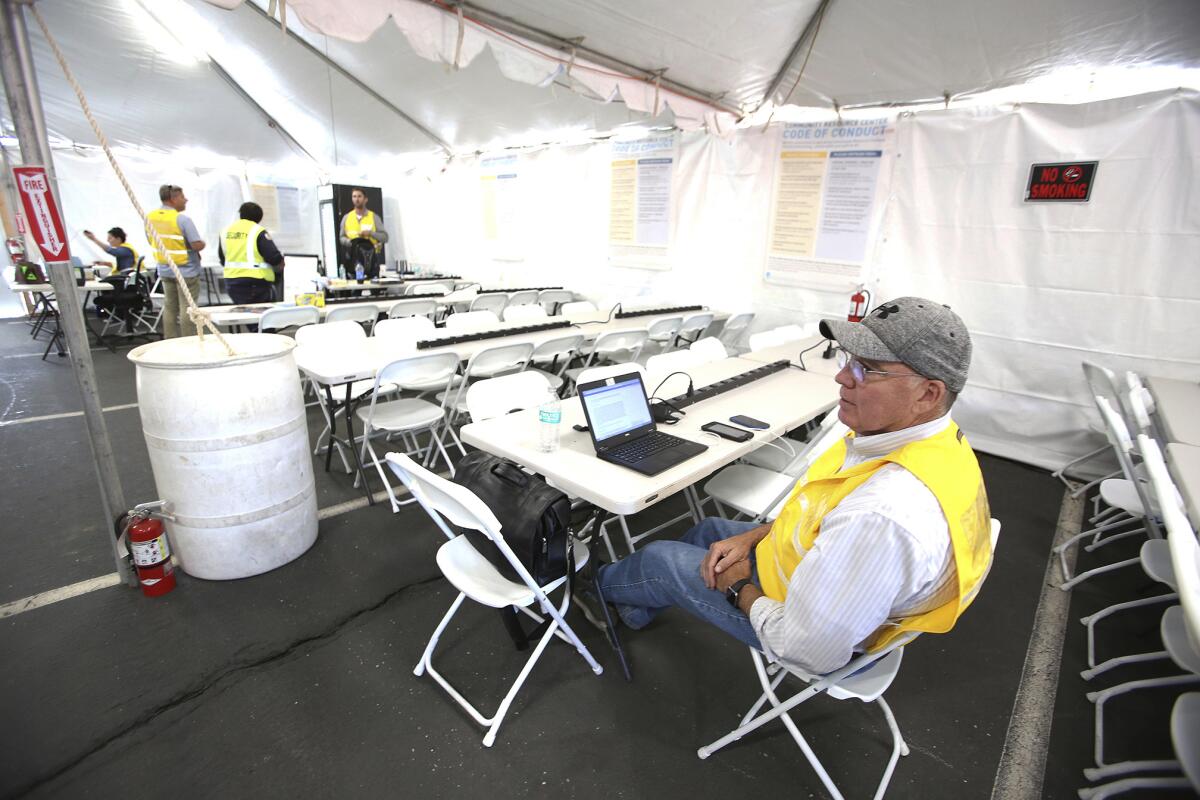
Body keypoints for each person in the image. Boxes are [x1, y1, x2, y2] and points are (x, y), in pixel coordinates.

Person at [583, 297, 993, 676]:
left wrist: (738, 586)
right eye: (849, 360)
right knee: (710, 532)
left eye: (866, 369)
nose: (841, 376)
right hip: (819, 581)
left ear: (928, 393)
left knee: (659, 558)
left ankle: (592, 593)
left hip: (814, 633)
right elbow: (828, 519)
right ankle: (633, 605)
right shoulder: (936, 445)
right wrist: (756, 537)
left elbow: (808, 649)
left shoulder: (882, 514)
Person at [146, 184, 205, 338]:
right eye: (182, 196)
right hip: (187, 270)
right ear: (173, 199)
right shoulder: (182, 219)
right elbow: (196, 244)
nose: (185, 200)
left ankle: (170, 340)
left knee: (170, 307)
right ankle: (189, 340)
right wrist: (202, 244)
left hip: (165, 269)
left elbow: (150, 241)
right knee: (188, 307)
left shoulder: (150, 218)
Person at [218, 202, 285, 305]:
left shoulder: (226, 231)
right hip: (256, 283)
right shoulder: (258, 231)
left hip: (231, 283)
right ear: (259, 217)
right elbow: (273, 257)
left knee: (243, 314)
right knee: (259, 316)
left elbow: (223, 258)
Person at [338, 187, 388, 279]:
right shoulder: (347, 217)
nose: (356, 199)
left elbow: (385, 237)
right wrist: (351, 242)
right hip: (353, 261)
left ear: (365, 199)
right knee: (355, 291)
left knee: (375, 290)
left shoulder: (373, 217)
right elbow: (341, 238)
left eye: (359, 196)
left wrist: (370, 233)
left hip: (372, 261)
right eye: (354, 196)